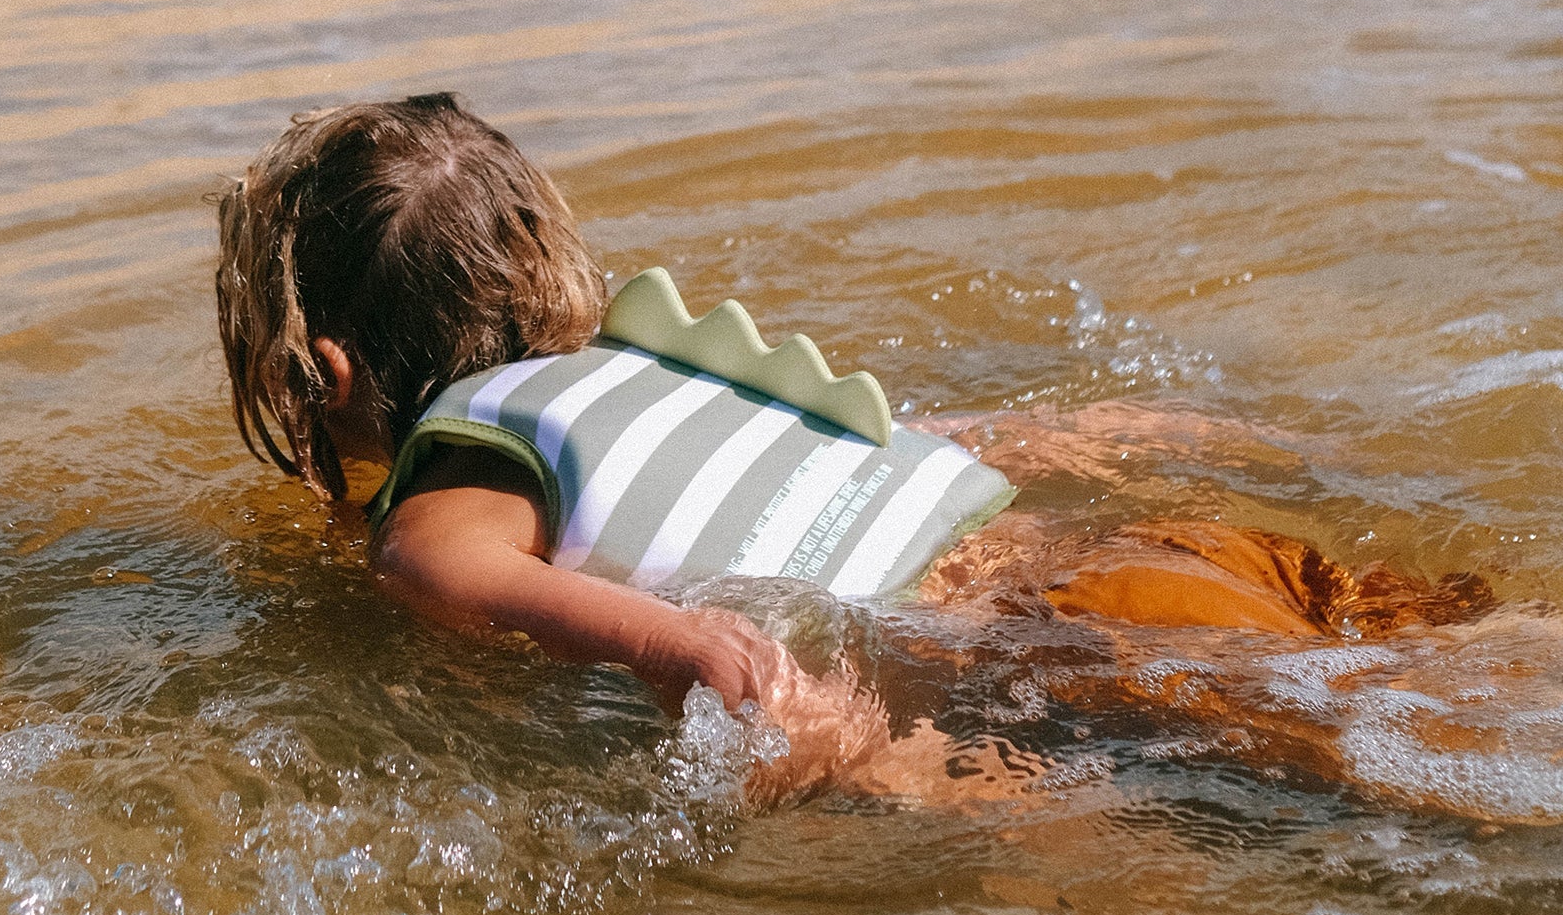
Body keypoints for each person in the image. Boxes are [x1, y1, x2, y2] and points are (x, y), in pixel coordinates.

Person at [213, 93, 1511, 810]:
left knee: (1373, 774)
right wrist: (1096, 430)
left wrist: (680, 644)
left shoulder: (465, 453)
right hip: (1099, 551)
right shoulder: (651, 369)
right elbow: (886, 439)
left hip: (1006, 639)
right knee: (1460, 668)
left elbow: (438, 571)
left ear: (331, 370)